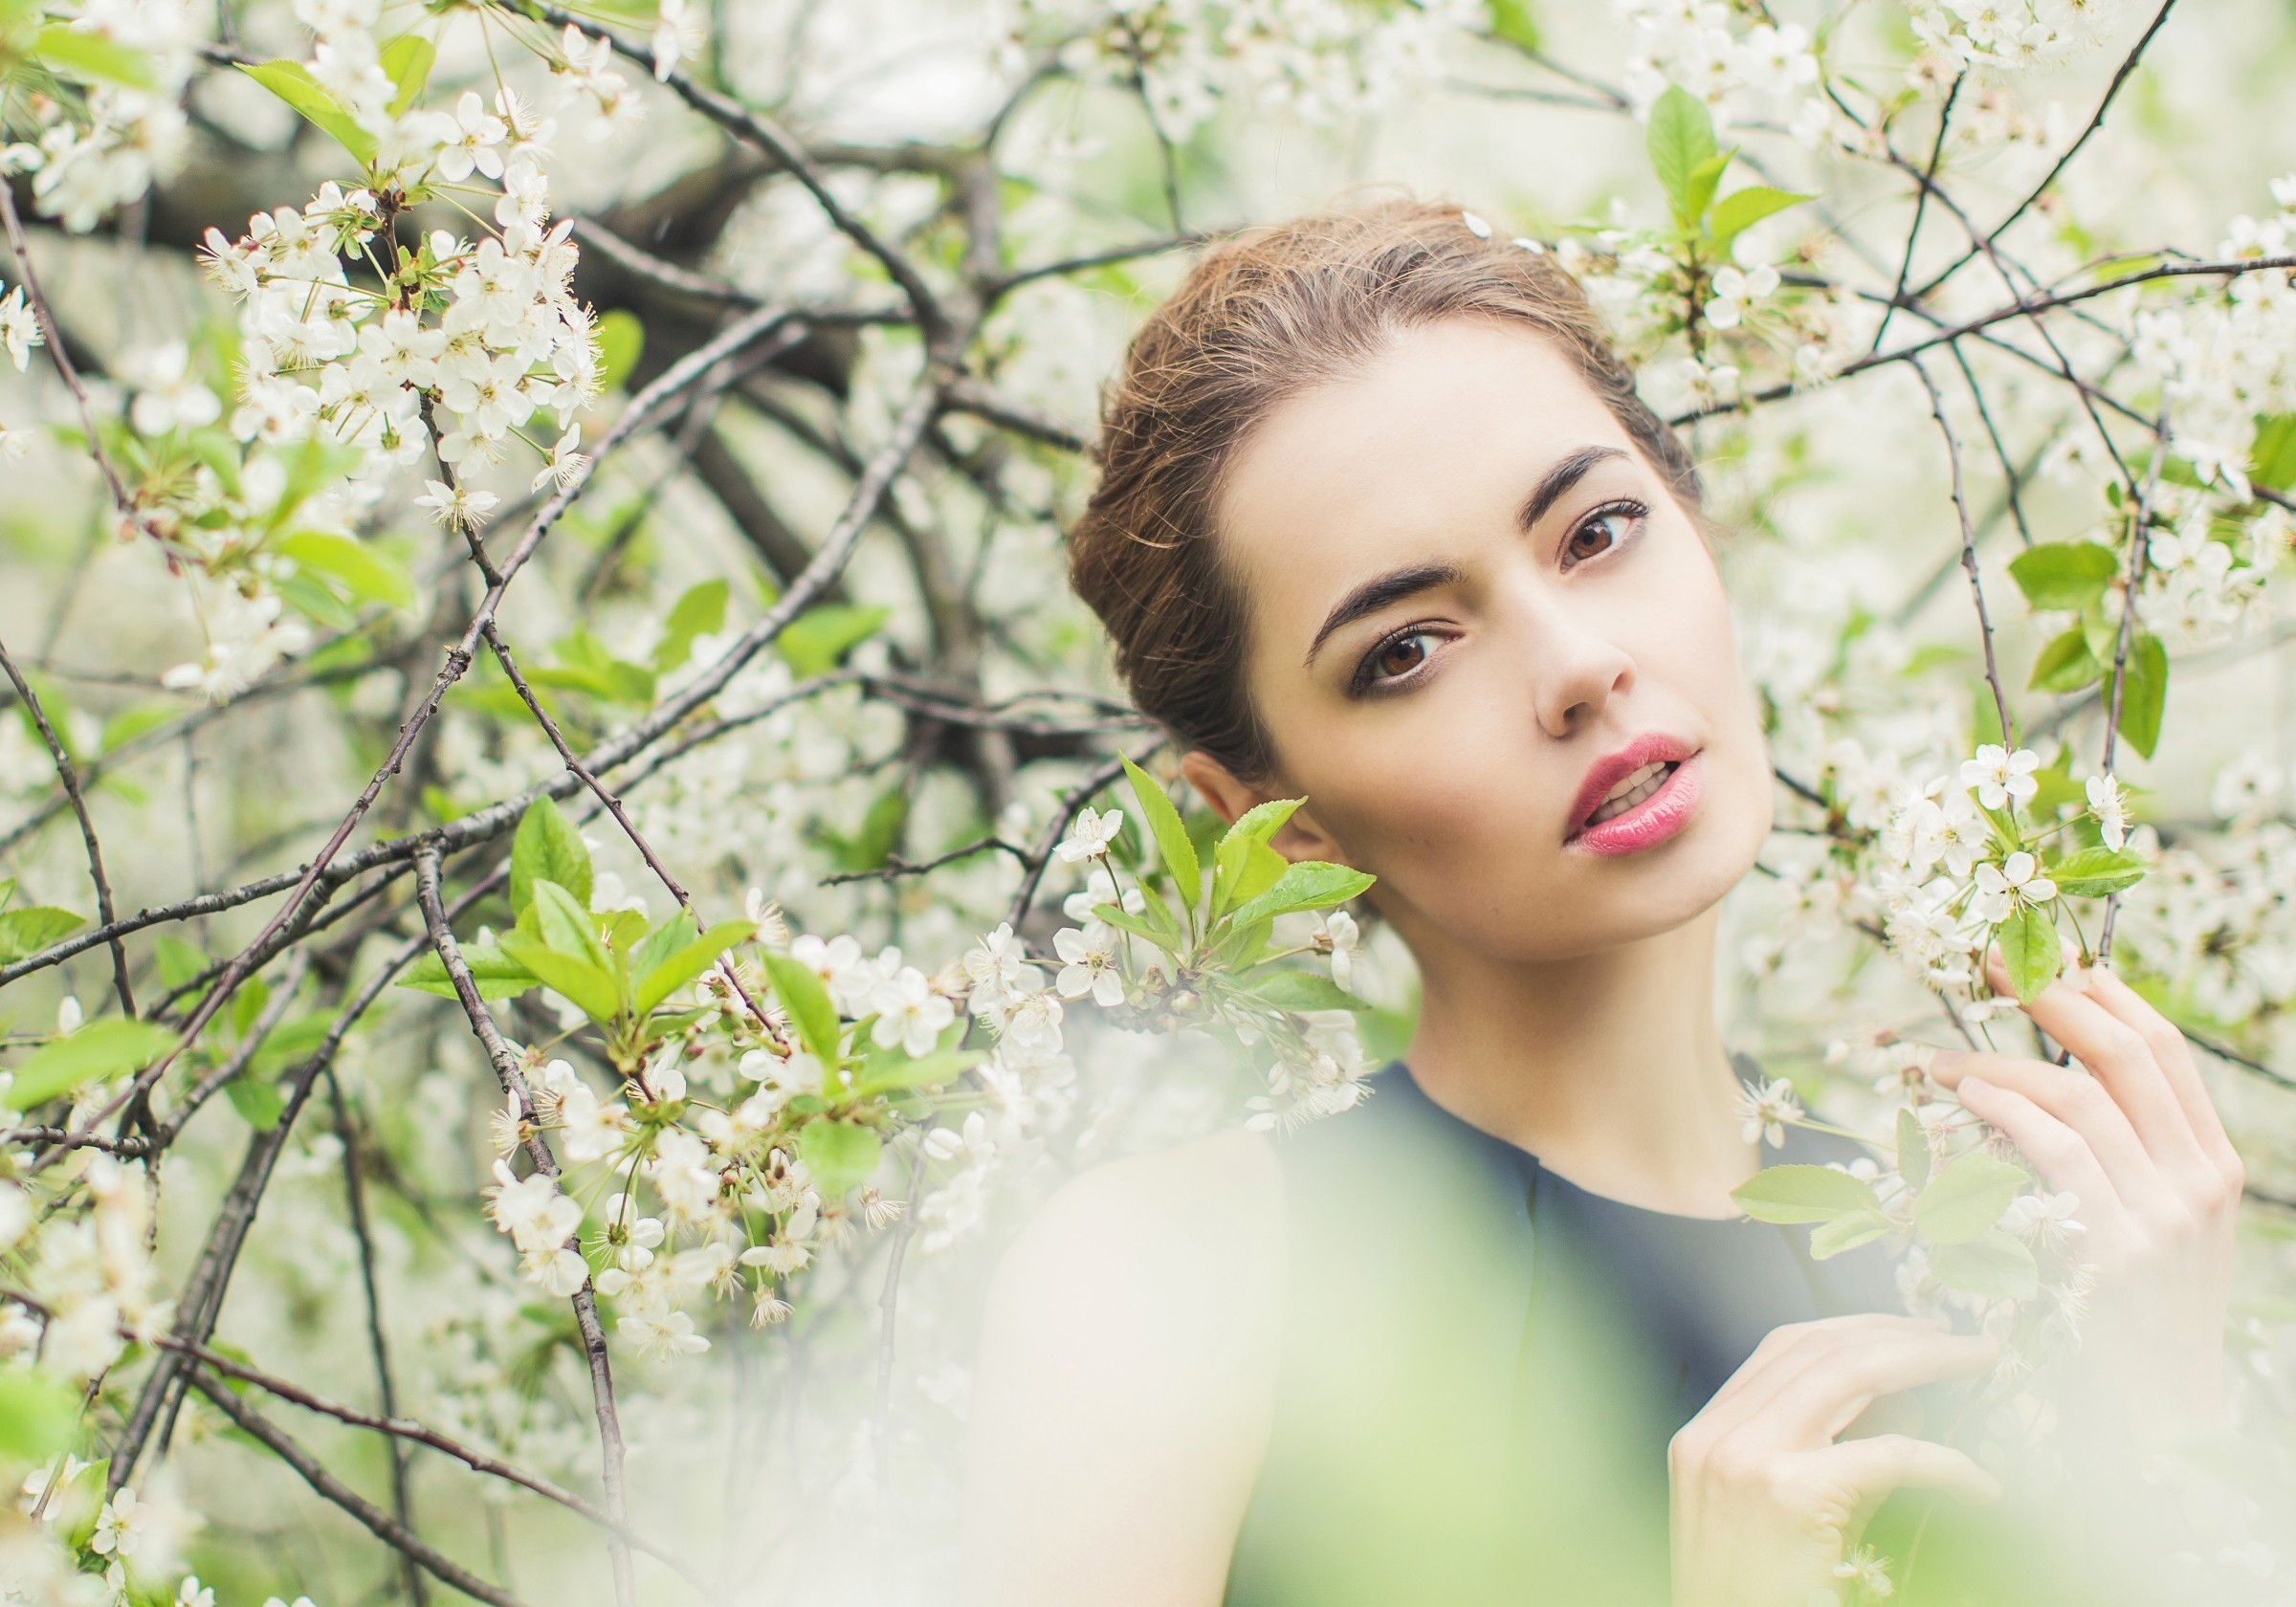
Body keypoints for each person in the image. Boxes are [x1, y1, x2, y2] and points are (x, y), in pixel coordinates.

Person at [959, 201, 2244, 1607]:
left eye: (1598, 531)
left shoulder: (1998, 1244)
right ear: (1282, 824)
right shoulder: (1180, 1280)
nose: (1578, 663)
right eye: (1404, 650)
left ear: (1699, 528)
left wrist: (2167, 1434)